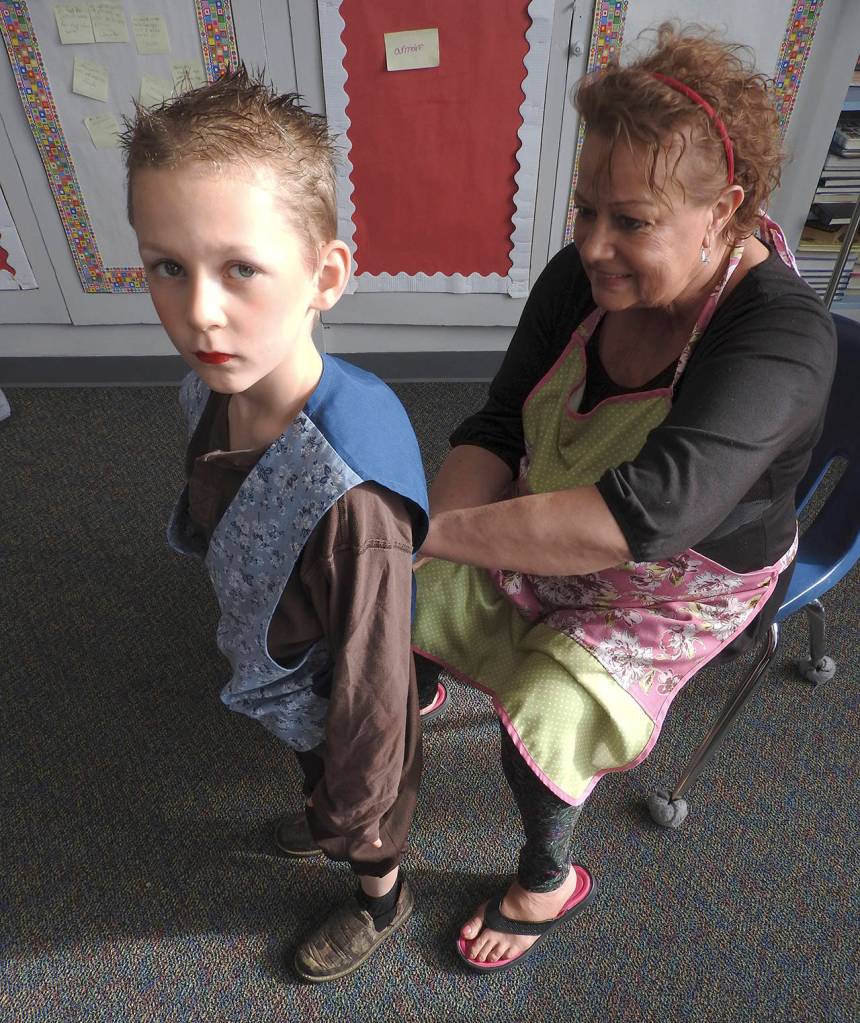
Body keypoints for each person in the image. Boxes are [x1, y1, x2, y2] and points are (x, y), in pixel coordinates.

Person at [411, 24, 836, 971]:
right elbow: (496, 428)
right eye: (583, 208)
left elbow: (635, 521)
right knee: (411, 597)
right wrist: (426, 548)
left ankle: (547, 878)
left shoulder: (780, 339)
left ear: (722, 211)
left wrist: (422, 529)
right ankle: (430, 664)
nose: (592, 247)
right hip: (553, 510)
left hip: (679, 576)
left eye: (632, 221)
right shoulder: (583, 278)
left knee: (548, 710)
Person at [121, 67, 430, 983]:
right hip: (280, 660)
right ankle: (324, 801)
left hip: (336, 692)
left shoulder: (354, 502)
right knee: (310, 759)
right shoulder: (214, 383)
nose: (198, 311)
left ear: (325, 275)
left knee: (358, 813)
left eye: (239, 269)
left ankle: (382, 893)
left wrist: (355, 803)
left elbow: (375, 693)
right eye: (167, 267)